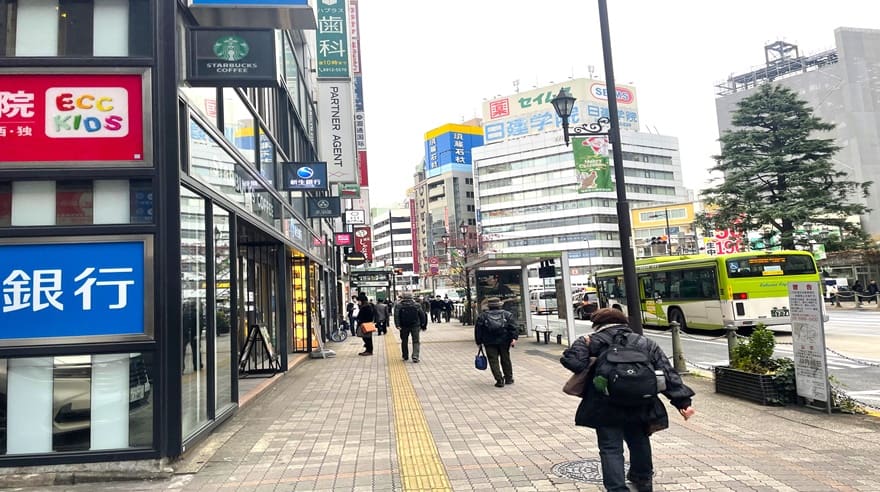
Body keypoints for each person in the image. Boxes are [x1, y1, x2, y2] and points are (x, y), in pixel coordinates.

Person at [560, 308, 695, 492]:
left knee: (610, 448)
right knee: (639, 441)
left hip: (605, 404)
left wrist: (582, 344)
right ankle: (643, 480)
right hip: (641, 402)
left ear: (598, 325)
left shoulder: (592, 340)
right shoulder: (645, 342)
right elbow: (667, 372)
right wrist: (683, 402)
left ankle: (617, 489)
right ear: (624, 323)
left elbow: (574, 363)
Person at [474, 297, 518, 387]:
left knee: (493, 360)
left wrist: (479, 342)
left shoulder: (483, 316)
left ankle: (499, 380)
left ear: (489, 306)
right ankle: (509, 378)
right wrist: (514, 338)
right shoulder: (507, 314)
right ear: (500, 305)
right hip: (504, 340)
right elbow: (513, 327)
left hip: (489, 341)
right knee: (505, 359)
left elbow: (478, 330)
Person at [394, 293, 427, 362]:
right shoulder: (417, 305)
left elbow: (396, 316)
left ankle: (405, 356)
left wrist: (397, 325)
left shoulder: (399, 305)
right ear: (412, 297)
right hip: (415, 325)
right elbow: (422, 315)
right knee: (416, 341)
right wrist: (423, 324)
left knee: (404, 341)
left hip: (403, 326)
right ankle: (415, 356)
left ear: (403, 297)